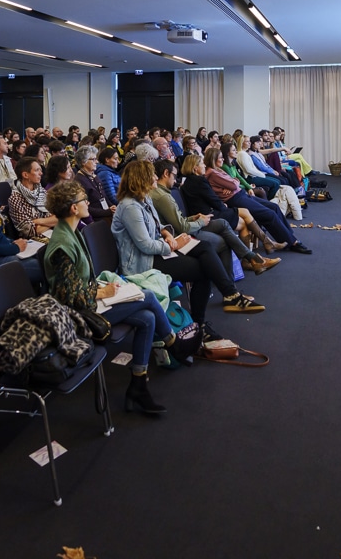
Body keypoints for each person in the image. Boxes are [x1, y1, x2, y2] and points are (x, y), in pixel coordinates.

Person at [44, 180, 175, 414]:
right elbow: (71, 297)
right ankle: (174, 343)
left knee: (147, 318)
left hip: (90, 303)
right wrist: (101, 292)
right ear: (73, 208)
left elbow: (80, 283)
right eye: (84, 200)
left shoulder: (72, 232)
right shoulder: (62, 246)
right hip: (77, 316)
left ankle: (138, 386)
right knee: (146, 296)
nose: (88, 203)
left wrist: (100, 290)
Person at [112, 159, 263, 327]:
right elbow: (145, 245)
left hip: (156, 251)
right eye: (152, 174)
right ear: (141, 178)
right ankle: (201, 322)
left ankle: (230, 295)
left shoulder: (144, 199)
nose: (155, 177)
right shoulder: (130, 207)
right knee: (203, 270)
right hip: (142, 262)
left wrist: (166, 233)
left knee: (204, 247)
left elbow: (157, 225)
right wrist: (173, 245)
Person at [150, 159, 279, 276]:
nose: (175, 179)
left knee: (224, 223)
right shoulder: (164, 196)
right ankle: (249, 264)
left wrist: (194, 218)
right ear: (166, 173)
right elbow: (182, 227)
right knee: (228, 236)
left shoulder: (177, 188)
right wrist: (201, 221)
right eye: (174, 175)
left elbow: (179, 219)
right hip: (185, 232)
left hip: (197, 219)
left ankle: (253, 258)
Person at [204, 147, 311, 254]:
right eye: (220, 158)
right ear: (213, 159)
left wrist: (233, 183)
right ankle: (292, 242)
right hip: (235, 199)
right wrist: (233, 183)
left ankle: (289, 237)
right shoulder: (212, 173)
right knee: (269, 214)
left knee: (274, 207)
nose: (223, 159)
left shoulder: (218, 170)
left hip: (240, 194)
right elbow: (234, 184)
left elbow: (234, 182)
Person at [9, 157, 58, 240]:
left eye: (40, 170)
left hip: (52, 233)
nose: (41, 173)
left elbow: (59, 217)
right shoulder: (15, 198)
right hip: (35, 241)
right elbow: (29, 232)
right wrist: (51, 221)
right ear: (25, 175)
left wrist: (37, 221)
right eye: (37, 170)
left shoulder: (41, 191)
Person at [75, 145, 114, 221]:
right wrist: (107, 212)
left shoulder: (94, 176)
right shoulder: (79, 181)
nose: (97, 162)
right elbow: (85, 207)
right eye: (93, 159)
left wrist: (112, 207)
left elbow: (104, 197)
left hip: (105, 215)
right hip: (94, 220)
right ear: (83, 162)